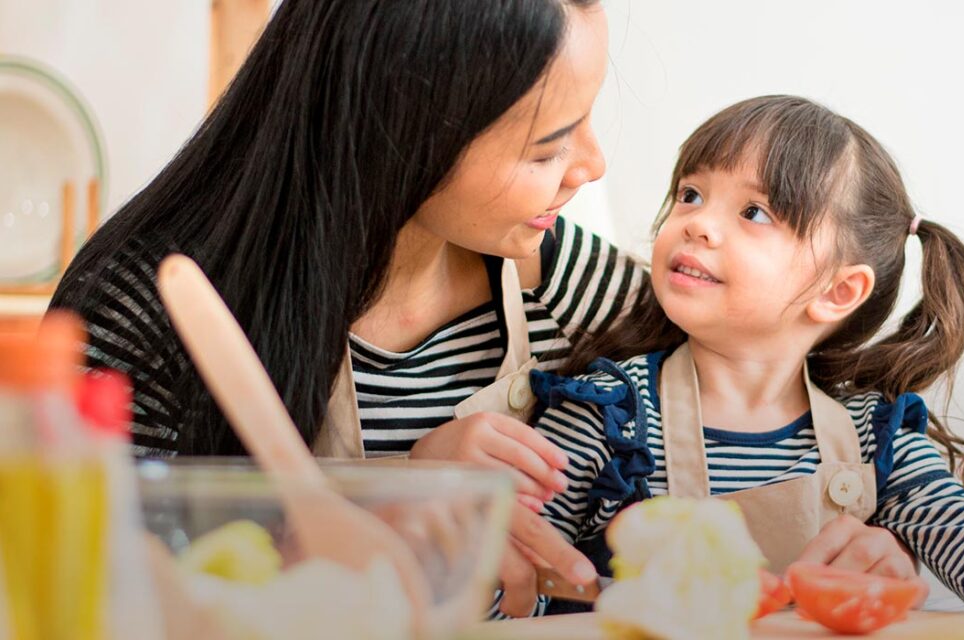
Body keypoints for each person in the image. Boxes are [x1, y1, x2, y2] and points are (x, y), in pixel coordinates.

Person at [50, 0, 638, 617]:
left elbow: (732, 363)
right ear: (409, 130)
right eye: (547, 148)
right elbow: (79, 591)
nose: (592, 166)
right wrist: (373, 501)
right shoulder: (145, 311)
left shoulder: (553, 275)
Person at [527, 95, 964, 627]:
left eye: (754, 212)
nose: (697, 224)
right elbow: (506, 581)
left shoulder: (873, 441)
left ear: (837, 292)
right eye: (691, 194)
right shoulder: (605, 417)